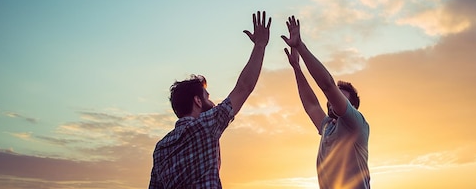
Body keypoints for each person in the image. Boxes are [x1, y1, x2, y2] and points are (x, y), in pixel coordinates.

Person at [148, 11, 271, 189]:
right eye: (207, 96)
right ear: (197, 101)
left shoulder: (160, 148)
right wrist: (260, 45)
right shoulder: (205, 126)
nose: (211, 100)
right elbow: (244, 87)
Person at [282, 15, 370, 189]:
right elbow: (311, 105)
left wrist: (301, 47)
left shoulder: (356, 124)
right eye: (331, 99)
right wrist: (297, 68)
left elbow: (328, 86)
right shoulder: (328, 126)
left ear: (351, 107)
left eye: (340, 98)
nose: (332, 100)